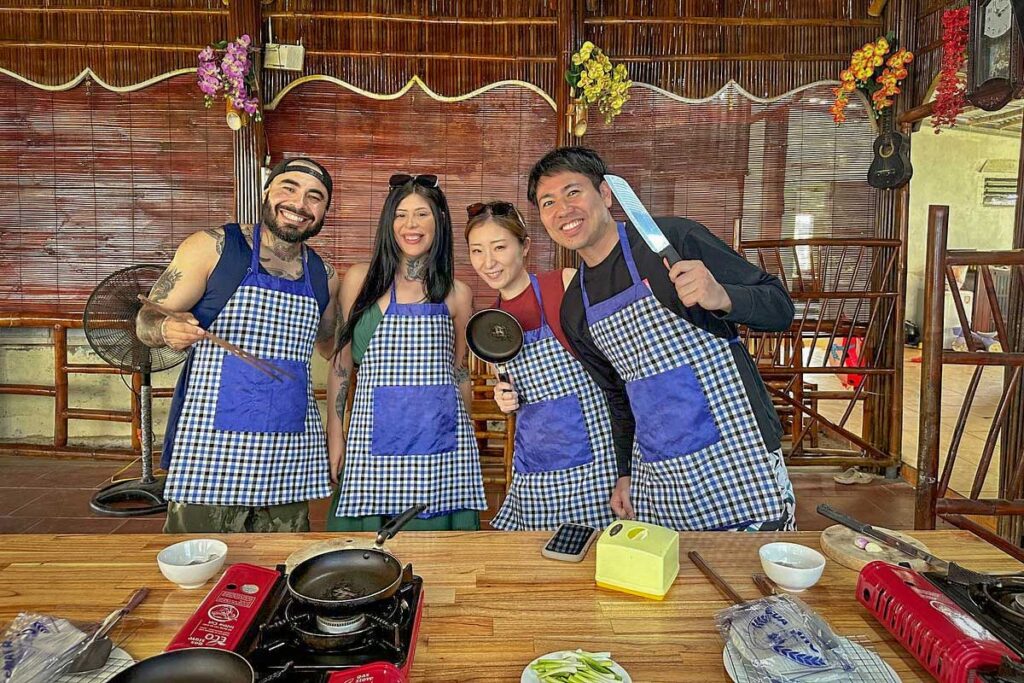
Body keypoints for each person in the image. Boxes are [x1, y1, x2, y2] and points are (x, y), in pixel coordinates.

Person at [527, 147, 797, 531]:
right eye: (548, 202)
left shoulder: (669, 241)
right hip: (660, 472)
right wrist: (624, 473)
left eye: (573, 192)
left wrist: (722, 296)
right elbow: (616, 397)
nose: (563, 210)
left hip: (739, 454)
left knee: (754, 580)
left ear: (605, 195)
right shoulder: (575, 308)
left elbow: (780, 307)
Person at [137, 157, 340, 533]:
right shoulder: (213, 248)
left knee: (281, 568)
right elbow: (146, 319)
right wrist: (166, 328)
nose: (299, 204)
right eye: (289, 188)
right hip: (211, 450)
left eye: (315, 197)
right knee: (200, 563)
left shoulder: (324, 275)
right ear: (266, 192)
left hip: (288, 449)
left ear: (324, 211)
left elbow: (335, 351)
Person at [326, 173, 485, 531]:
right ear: (389, 222)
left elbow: (459, 372)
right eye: (401, 214)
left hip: (440, 446)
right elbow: (340, 367)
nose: (410, 224)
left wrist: (467, 443)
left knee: (438, 559)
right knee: (363, 559)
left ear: (439, 221)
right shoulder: (359, 280)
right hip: (372, 443)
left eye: (422, 214)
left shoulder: (458, 293)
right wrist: (336, 437)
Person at [465, 201, 618, 530]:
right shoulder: (489, 324)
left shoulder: (563, 285)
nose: (488, 262)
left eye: (499, 247)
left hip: (597, 465)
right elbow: (508, 385)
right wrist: (503, 398)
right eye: (477, 251)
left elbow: (617, 365)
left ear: (525, 247)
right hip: (537, 468)